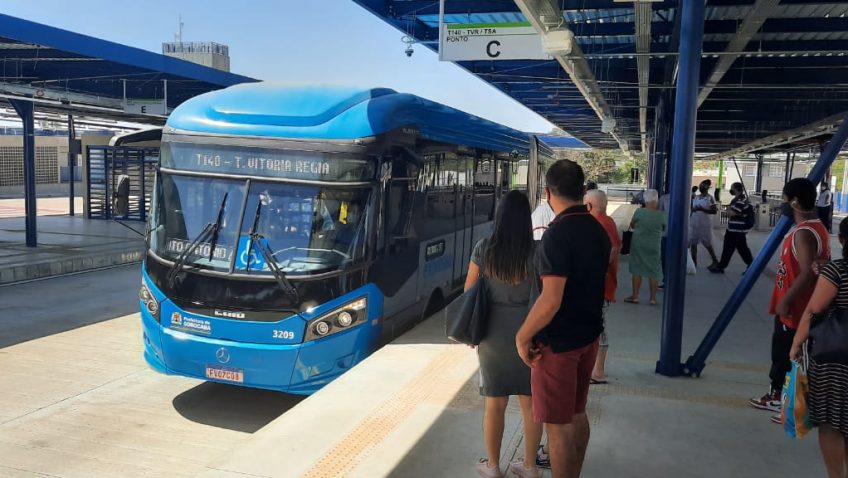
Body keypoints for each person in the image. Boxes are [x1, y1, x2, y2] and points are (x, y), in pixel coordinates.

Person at [516, 159, 610, 478]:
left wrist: (521, 336)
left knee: (557, 428)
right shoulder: (598, 229)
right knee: (577, 413)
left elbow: (551, 299)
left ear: (547, 192)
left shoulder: (556, 235)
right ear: (583, 191)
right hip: (588, 336)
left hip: (558, 345)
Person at [466, 190, 543, 478]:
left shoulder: (484, 248)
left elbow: (469, 291)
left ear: (499, 217)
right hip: (529, 328)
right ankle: (530, 466)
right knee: (531, 402)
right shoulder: (537, 250)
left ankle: (493, 466)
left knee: (494, 403)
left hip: (492, 332)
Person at [749, 178, 831, 423]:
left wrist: (786, 300)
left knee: (785, 353)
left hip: (796, 308)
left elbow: (807, 272)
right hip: (803, 305)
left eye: (785, 199)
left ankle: (781, 399)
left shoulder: (804, 233)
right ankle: (790, 401)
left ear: (794, 201)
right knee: (793, 354)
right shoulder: (817, 228)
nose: (782, 204)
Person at [790, 216, 848, 478]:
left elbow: (813, 310)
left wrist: (795, 344)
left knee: (831, 424)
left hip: (835, 362)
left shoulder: (837, 271)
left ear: (842, 240)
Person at [585, 190, 621, 384]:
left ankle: (597, 372)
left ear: (589, 206)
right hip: (601, 285)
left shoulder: (601, 224)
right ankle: (594, 370)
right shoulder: (606, 222)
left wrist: (597, 270)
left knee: (599, 327)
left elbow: (612, 250)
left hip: (600, 287)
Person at [623, 189, 666, 306]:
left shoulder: (639, 212)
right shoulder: (662, 215)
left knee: (637, 270)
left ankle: (635, 296)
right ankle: (652, 298)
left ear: (645, 200)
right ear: (656, 200)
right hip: (654, 244)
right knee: (653, 271)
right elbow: (663, 227)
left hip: (638, 243)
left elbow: (632, 224)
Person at [709, 182, 754, 274]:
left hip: (737, 230)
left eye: (732, 188)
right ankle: (721, 266)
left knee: (742, 250)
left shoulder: (741, 200)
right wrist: (730, 211)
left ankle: (752, 266)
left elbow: (731, 213)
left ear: (736, 189)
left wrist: (729, 211)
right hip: (732, 230)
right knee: (728, 249)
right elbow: (730, 211)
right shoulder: (736, 199)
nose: (731, 190)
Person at [689, 179, 720, 268]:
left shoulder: (710, 198)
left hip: (705, 225)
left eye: (704, 186)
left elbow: (714, 211)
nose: (701, 187)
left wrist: (702, 209)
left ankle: (714, 260)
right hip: (695, 223)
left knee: (707, 244)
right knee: (693, 243)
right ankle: (694, 262)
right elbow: (691, 208)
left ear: (707, 187)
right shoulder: (696, 197)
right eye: (701, 185)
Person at [658, 192, 671, 288]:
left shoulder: (686, 197)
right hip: (666, 232)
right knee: (664, 257)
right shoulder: (664, 198)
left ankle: (671, 278)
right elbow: (660, 213)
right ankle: (666, 278)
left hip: (677, 233)